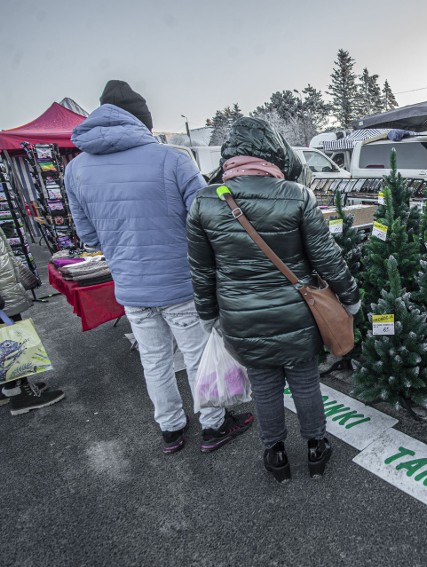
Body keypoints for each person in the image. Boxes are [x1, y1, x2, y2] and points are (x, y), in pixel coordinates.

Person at [64, 80, 253, 454]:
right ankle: (213, 427)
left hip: (131, 288)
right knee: (198, 356)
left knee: (155, 362)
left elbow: (88, 238)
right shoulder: (173, 158)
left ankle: (171, 430)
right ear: (141, 121)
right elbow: (208, 219)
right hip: (180, 284)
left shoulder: (76, 170)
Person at [186, 117, 360, 482]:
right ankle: (316, 448)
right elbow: (326, 256)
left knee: (264, 385)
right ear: (274, 151)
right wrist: (350, 297)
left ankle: (275, 455)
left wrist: (207, 315)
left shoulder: (204, 202)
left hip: (241, 316)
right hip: (298, 313)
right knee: (306, 382)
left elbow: (201, 270)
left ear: (230, 154)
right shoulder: (297, 196)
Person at [0, 232, 64, 414]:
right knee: (10, 343)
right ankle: (18, 392)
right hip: (4, 296)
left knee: (7, 339)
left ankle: (9, 387)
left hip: (6, 288)